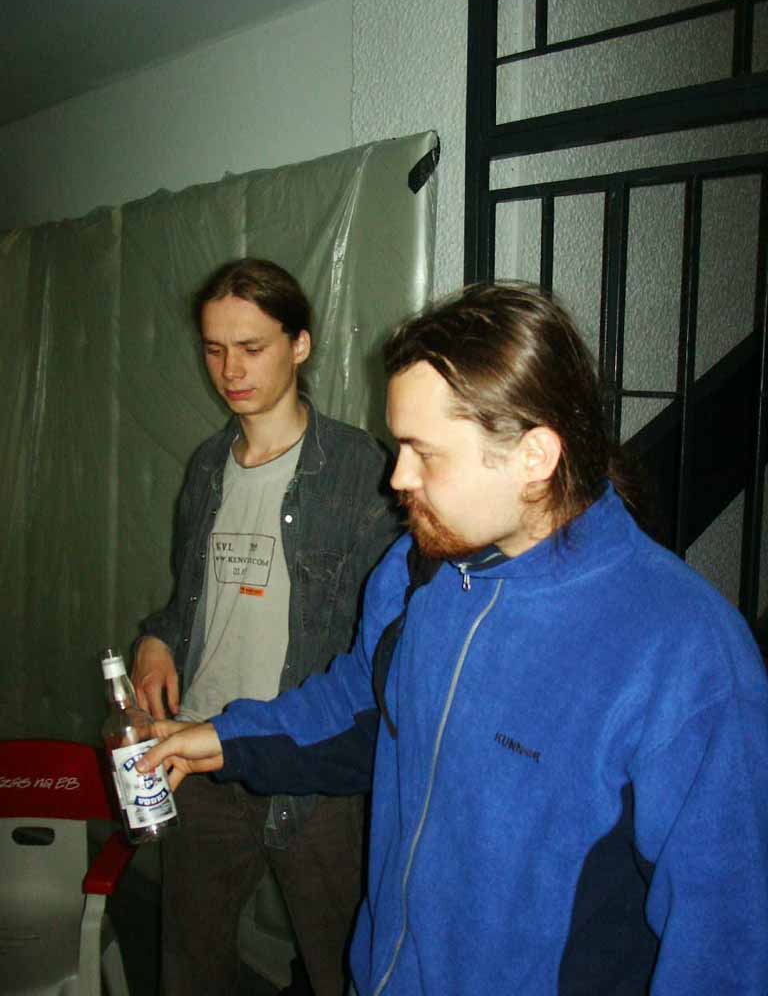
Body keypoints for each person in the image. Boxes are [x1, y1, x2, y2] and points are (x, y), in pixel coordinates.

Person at [140, 282, 768, 995]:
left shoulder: (686, 657)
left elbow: (724, 946)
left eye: (423, 452)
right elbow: (359, 704)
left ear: (534, 456)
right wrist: (224, 738)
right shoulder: (417, 571)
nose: (397, 476)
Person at [131, 258, 400, 996]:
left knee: (345, 970)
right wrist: (156, 638)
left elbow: (380, 642)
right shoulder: (206, 467)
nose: (230, 370)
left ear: (300, 344)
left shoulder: (362, 471)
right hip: (200, 755)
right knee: (190, 967)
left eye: (252, 348)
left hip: (310, 773)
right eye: (215, 349)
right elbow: (191, 602)